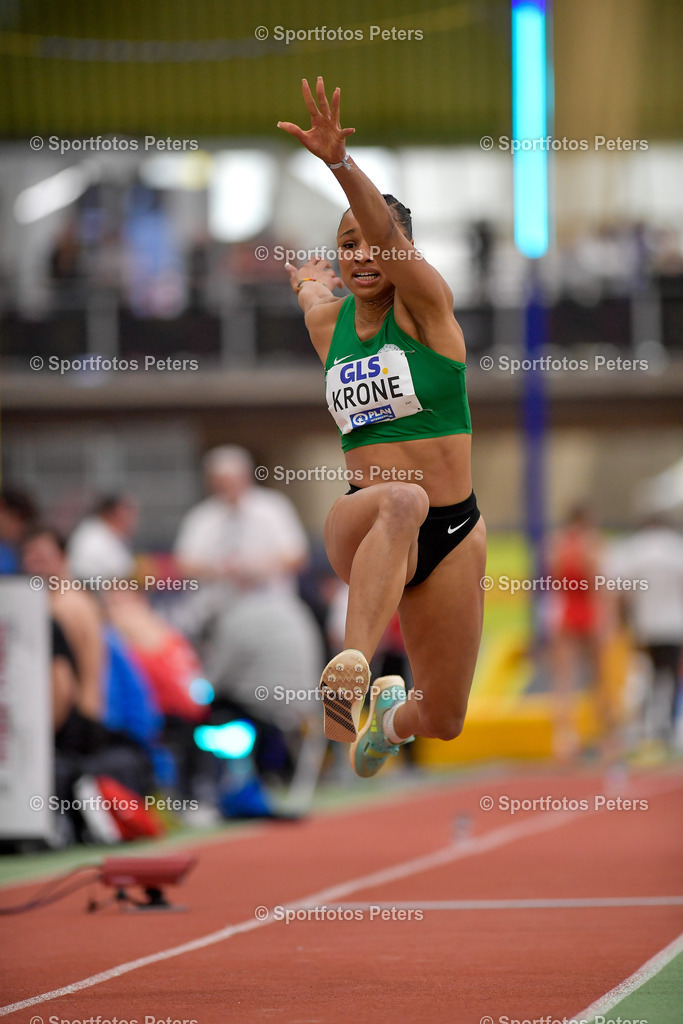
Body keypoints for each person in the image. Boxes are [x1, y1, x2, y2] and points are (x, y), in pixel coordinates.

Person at [277, 77, 486, 777]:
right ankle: (353, 672)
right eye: (348, 244)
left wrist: (339, 162)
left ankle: (387, 719)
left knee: (445, 719)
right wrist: (307, 278)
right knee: (402, 496)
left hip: (453, 533)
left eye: (374, 243)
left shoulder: (427, 309)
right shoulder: (324, 326)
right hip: (364, 521)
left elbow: (384, 238)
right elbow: (312, 292)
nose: (362, 255)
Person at [608, 516, 683, 748]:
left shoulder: (635, 550)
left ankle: (647, 729)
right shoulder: (675, 548)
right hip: (672, 625)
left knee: (646, 676)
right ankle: (666, 729)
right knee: (669, 676)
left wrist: (622, 622)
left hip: (646, 625)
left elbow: (617, 588)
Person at [68, 494, 138, 581]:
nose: (131, 520)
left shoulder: (108, 533)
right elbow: (121, 572)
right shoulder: (92, 535)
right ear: (111, 513)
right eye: (127, 513)